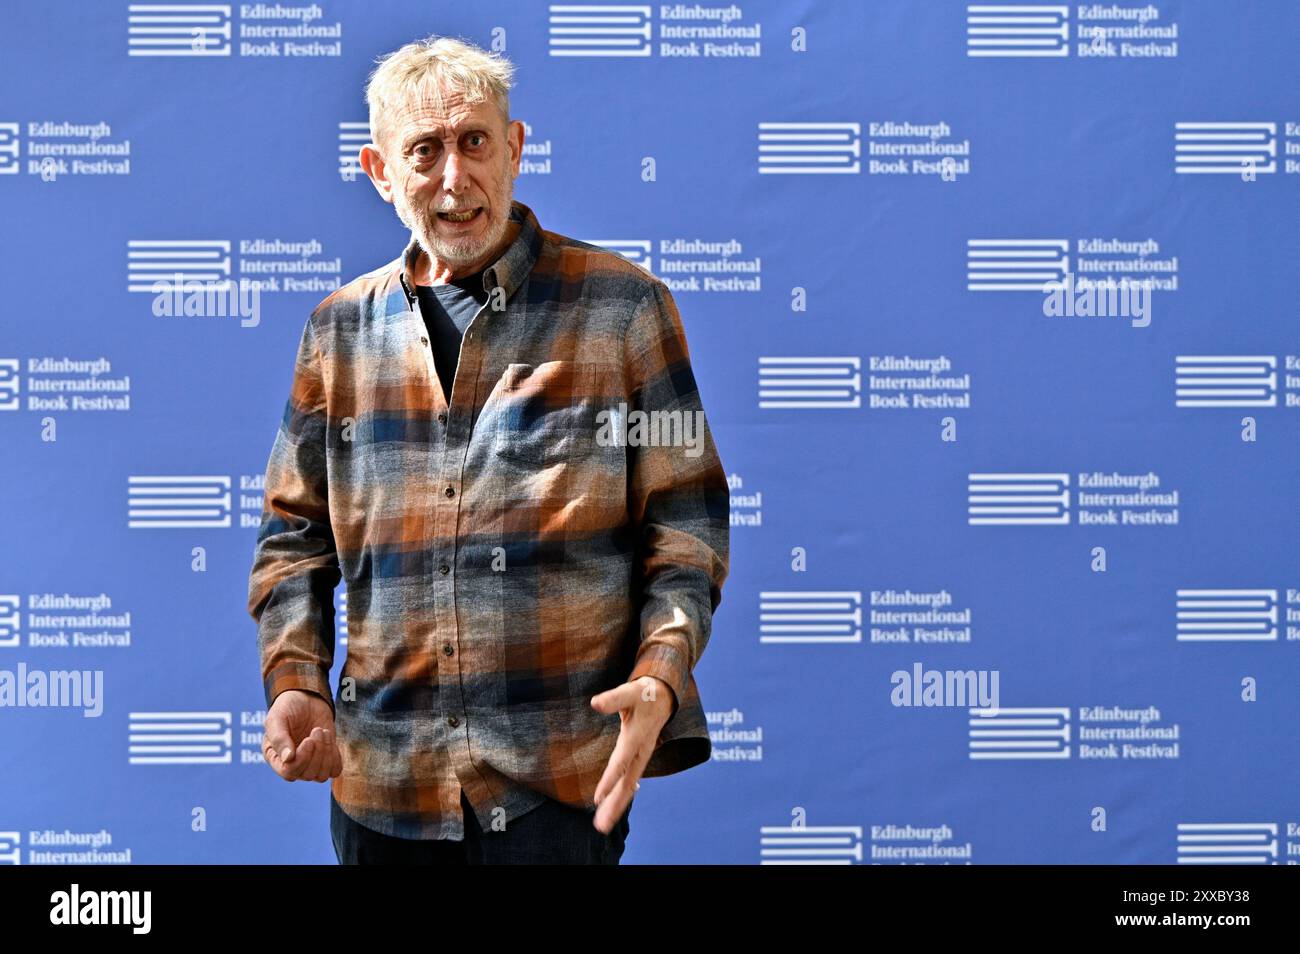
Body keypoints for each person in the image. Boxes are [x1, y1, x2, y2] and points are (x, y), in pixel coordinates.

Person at [245, 34, 730, 865]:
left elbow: (686, 527)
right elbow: (294, 540)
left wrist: (661, 670)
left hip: (555, 788)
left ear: (515, 148)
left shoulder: (624, 311)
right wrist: (296, 682)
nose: (453, 177)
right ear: (379, 171)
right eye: (424, 150)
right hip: (381, 795)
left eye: (474, 142)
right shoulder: (337, 333)